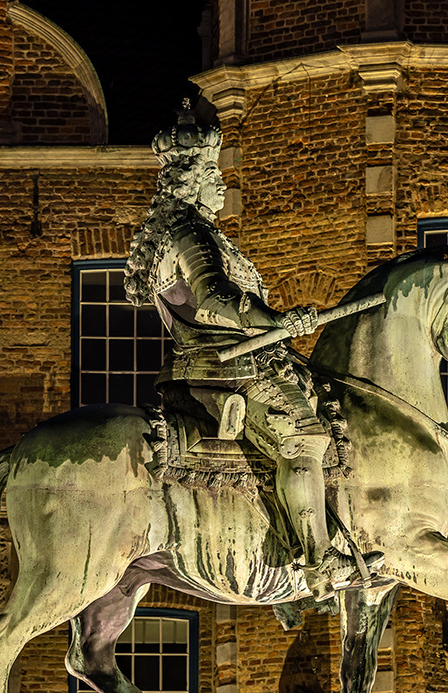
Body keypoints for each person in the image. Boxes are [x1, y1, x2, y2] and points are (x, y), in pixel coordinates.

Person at [123, 106, 362, 600]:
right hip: (225, 368)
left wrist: (278, 327)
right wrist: (276, 321)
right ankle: (319, 560)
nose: (221, 185)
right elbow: (213, 299)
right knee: (303, 437)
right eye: (212, 173)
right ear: (189, 181)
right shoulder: (188, 233)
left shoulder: (198, 232)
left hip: (230, 362)